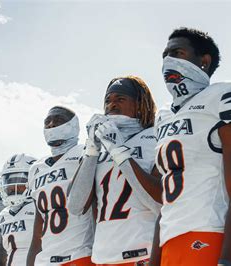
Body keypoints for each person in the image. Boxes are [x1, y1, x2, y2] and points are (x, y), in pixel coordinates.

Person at [152, 27, 231, 266]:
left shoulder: (225, 95)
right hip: (169, 241)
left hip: (207, 235)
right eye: (164, 56)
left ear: (204, 60)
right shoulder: (163, 117)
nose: (168, 61)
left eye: (177, 52)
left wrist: (227, 260)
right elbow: (167, 200)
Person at [67, 76, 162, 265]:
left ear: (140, 104)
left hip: (144, 255)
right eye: (108, 101)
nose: (112, 105)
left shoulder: (156, 138)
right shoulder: (99, 148)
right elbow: (76, 206)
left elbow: (158, 204)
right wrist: (92, 149)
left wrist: (119, 151)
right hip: (104, 257)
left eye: (120, 99)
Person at [26, 106, 95, 266]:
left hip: (79, 255)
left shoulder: (86, 153)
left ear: (73, 125)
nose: (51, 125)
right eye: (47, 122)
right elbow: (38, 229)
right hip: (45, 260)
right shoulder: (36, 168)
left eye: (58, 120)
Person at [0, 153, 38, 266]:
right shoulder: (4, 216)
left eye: (19, 180)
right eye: (9, 182)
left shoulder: (41, 208)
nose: (12, 187)